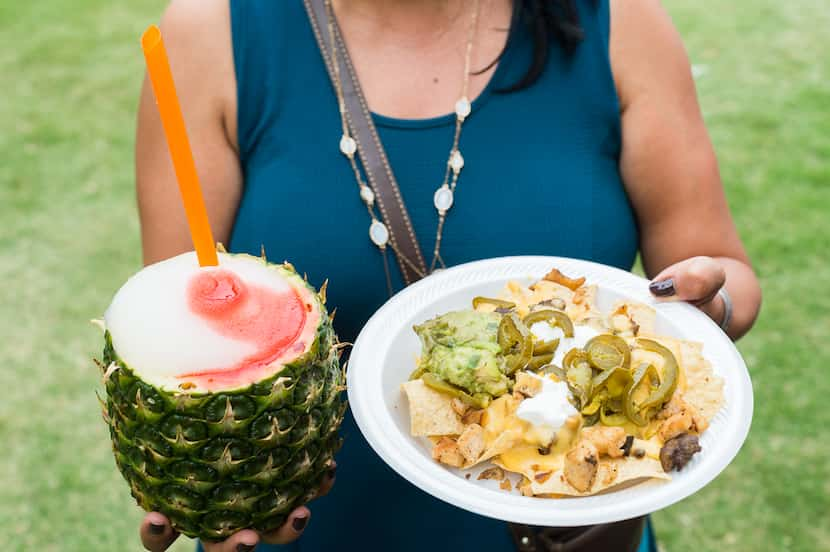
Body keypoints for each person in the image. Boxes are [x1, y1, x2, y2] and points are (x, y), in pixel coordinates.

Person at [134, 0, 762, 550]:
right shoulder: (210, 32)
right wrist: (209, 481)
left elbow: (725, 271)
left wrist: (706, 310)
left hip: (568, 521)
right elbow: (179, 340)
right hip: (315, 520)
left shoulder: (617, 21)